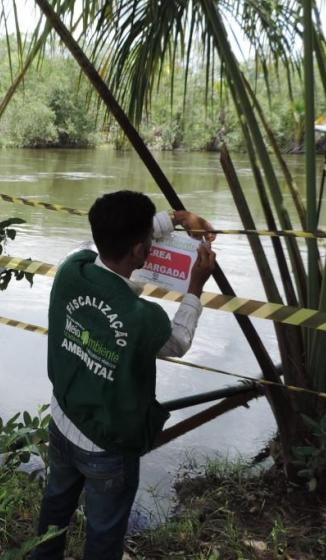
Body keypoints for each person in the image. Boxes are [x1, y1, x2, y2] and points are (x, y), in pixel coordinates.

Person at [31, 190, 217, 559]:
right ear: (138, 251)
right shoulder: (142, 318)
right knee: (103, 533)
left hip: (62, 419)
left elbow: (88, 245)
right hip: (107, 446)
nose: (151, 243)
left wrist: (176, 219)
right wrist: (195, 287)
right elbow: (177, 341)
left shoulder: (72, 268)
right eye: (148, 239)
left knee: (55, 508)